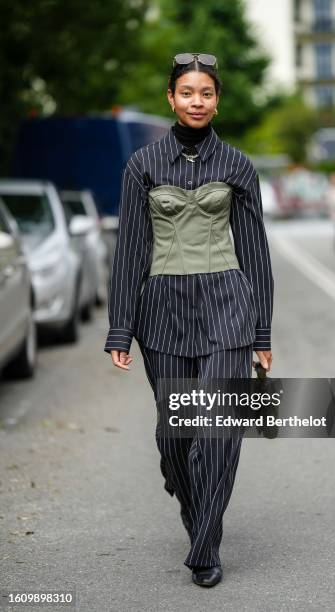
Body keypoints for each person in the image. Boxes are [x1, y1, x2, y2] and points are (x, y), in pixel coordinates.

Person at [103, 52, 274, 587]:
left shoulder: (238, 166)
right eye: (186, 93)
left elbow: (256, 253)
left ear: (217, 99)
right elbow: (131, 249)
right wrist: (120, 327)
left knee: (219, 430)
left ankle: (205, 550)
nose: (196, 101)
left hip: (228, 307)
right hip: (163, 315)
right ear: (171, 99)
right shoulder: (143, 166)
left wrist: (262, 331)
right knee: (176, 437)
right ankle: (188, 491)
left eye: (206, 93)